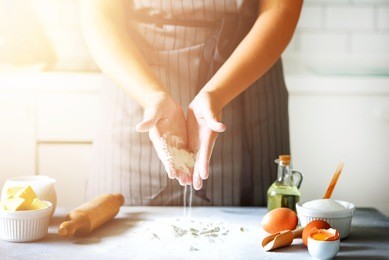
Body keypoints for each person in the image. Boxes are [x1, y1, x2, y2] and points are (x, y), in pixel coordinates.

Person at [80, 0, 303, 206]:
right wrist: (151, 96)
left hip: (248, 79)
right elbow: (99, 15)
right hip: (136, 85)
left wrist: (217, 93)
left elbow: (281, 10)